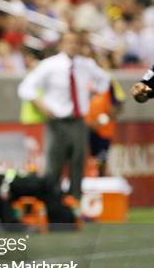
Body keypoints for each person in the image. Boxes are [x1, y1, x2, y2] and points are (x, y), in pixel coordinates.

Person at [17, 32, 110, 199]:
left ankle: (74, 205)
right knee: (54, 165)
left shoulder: (86, 65)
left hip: (79, 121)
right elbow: (26, 87)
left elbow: (104, 81)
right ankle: (53, 207)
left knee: (78, 163)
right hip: (56, 122)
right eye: (69, 42)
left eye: (76, 43)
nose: (72, 46)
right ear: (61, 44)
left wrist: (90, 94)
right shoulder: (50, 65)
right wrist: (40, 105)